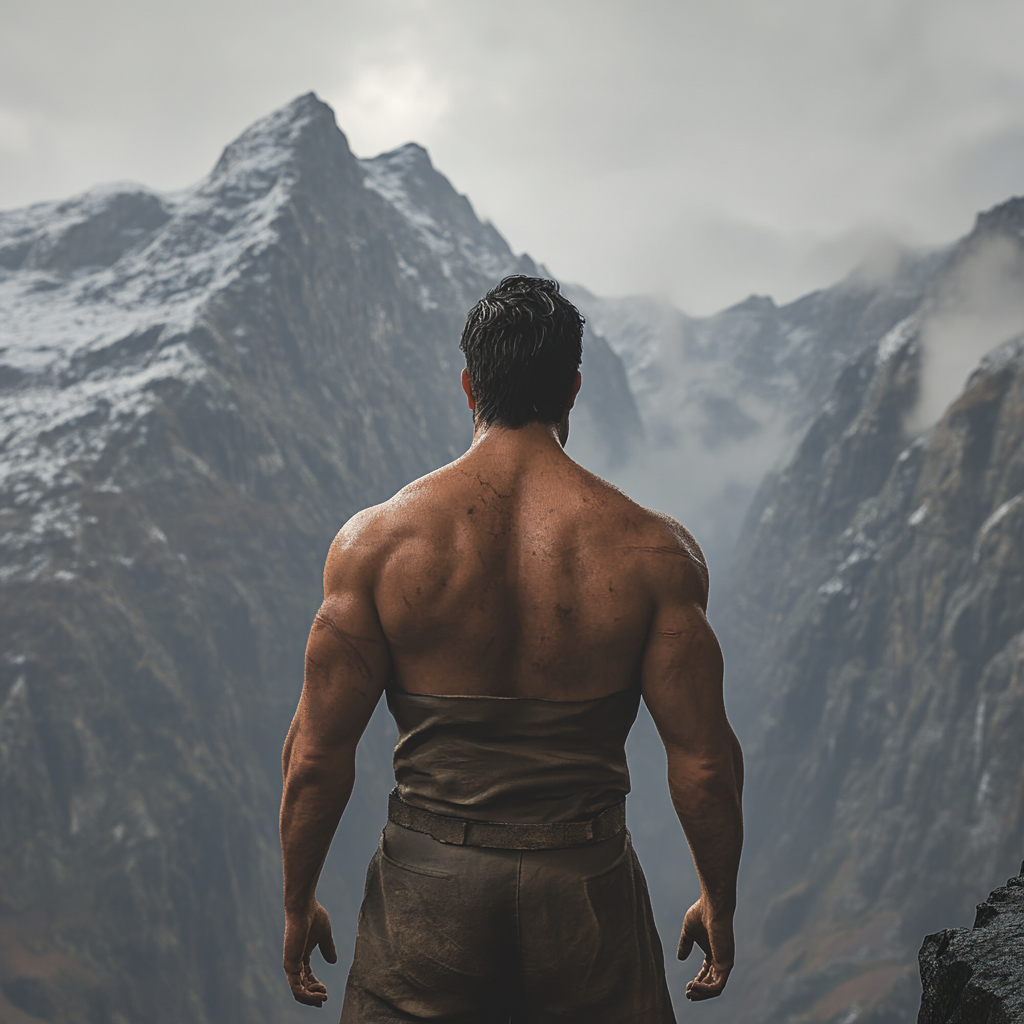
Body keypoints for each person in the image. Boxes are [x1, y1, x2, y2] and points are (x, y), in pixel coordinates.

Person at [279, 275, 744, 1023]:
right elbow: (703, 761)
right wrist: (717, 902)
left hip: (426, 897)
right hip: (587, 896)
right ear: (574, 389)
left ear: (469, 385)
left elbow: (315, 755)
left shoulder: (375, 547)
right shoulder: (654, 555)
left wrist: (298, 902)